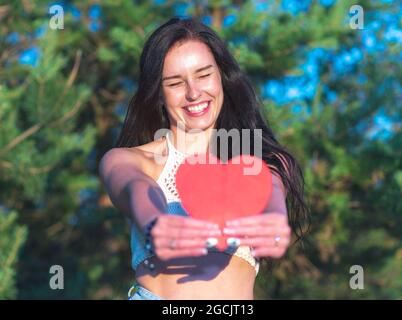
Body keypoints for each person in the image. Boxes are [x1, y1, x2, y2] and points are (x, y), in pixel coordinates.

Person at [99, 17, 309, 300]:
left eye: (203, 75)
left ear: (221, 76)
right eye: (175, 83)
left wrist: (274, 219)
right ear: (159, 94)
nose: (193, 93)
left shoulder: (258, 160)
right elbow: (135, 187)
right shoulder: (128, 160)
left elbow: (269, 189)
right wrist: (154, 222)